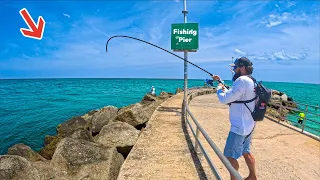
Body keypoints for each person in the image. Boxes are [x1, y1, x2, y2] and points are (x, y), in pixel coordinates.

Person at [212, 57, 257, 180]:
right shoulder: (251, 80)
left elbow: (225, 99)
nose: (233, 70)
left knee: (229, 157)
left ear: (242, 68)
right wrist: (220, 82)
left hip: (239, 127)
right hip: (249, 125)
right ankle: (252, 177)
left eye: (235, 67)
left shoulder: (241, 80)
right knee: (246, 152)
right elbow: (234, 95)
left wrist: (218, 89)